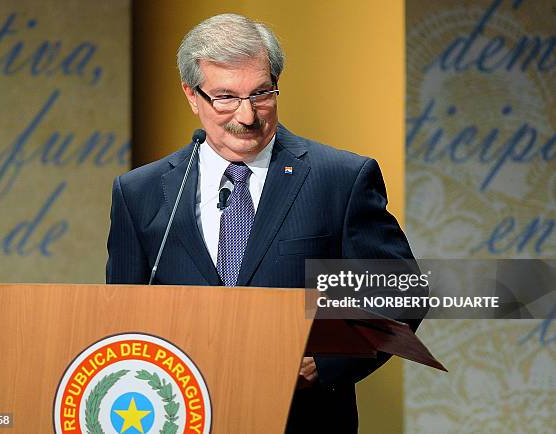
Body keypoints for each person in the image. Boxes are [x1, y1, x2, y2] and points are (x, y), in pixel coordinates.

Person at [107, 13, 418, 433]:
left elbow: (399, 291)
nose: (247, 116)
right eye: (225, 97)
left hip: (303, 418)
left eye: (261, 94)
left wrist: (325, 362)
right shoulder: (139, 191)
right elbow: (121, 318)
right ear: (191, 95)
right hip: (179, 417)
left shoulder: (339, 179)